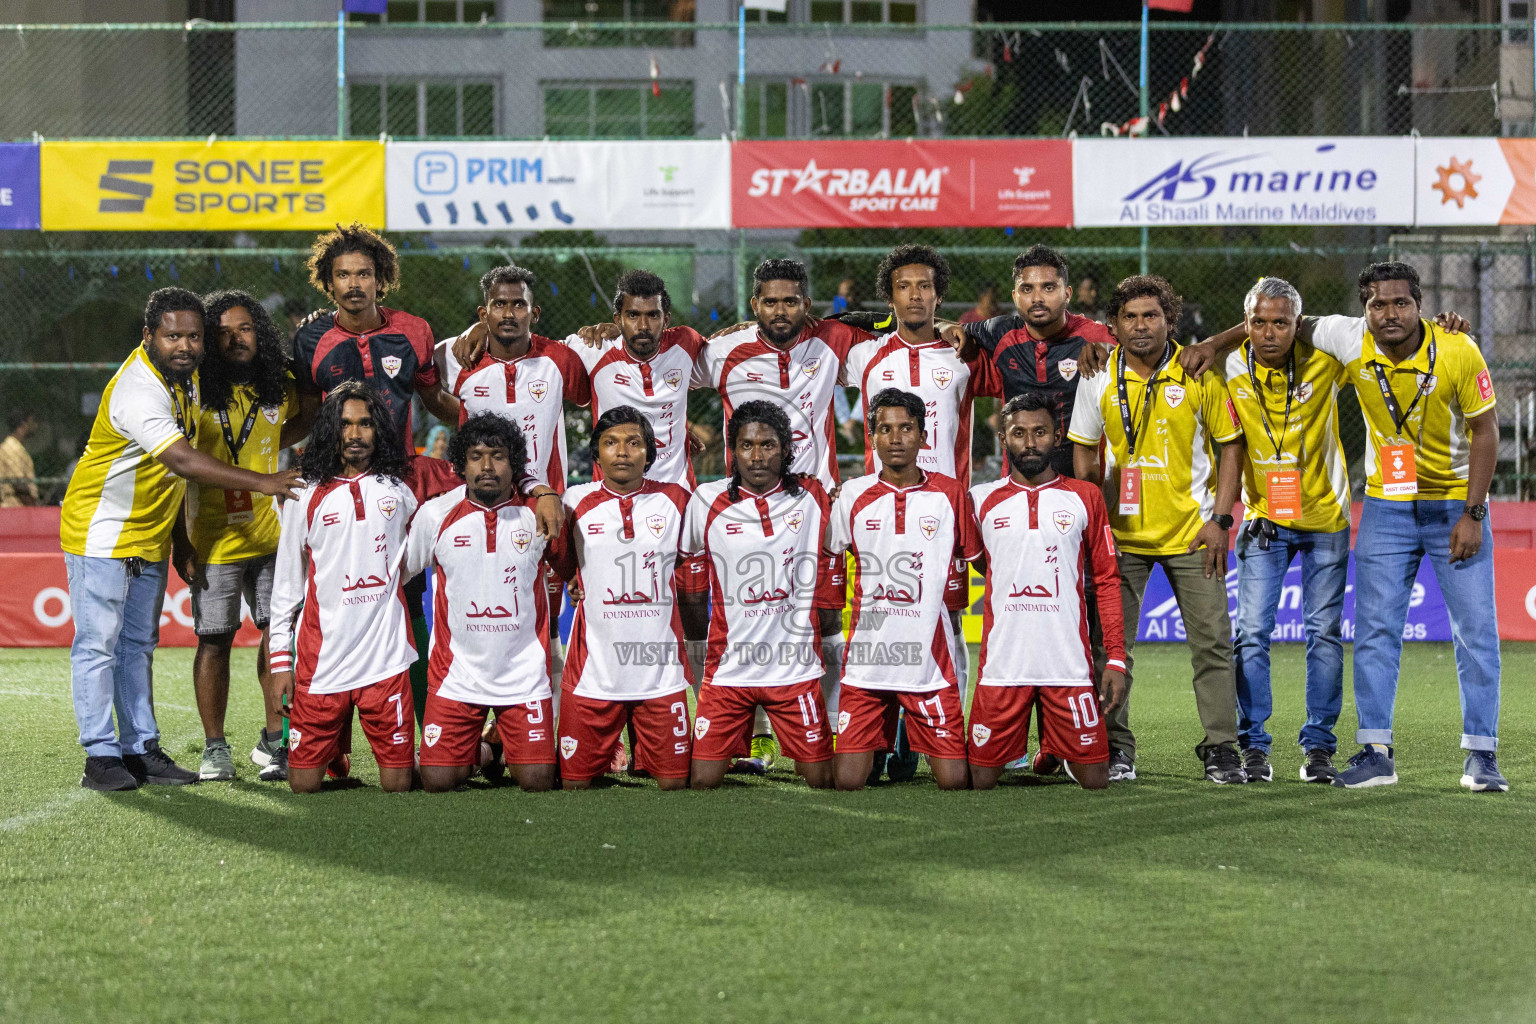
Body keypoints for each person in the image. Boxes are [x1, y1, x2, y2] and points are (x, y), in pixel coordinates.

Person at [1178, 270, 1496, 789]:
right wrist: (1217, 340)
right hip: (1306, 517)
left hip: (1370, 515)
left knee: (1451, 633)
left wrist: (1475, 511)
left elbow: (1486, 427)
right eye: (1377, 304)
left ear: (1418, 306)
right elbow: (1230, 436)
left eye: (1400, 304)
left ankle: (1464, 755)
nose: (1270, 332)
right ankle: (1309, 748)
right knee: (1280, 635)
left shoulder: (1358, 352)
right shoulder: (1247, 363)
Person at [60, 288, 301, 792]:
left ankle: (141, 748)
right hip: (101, 533)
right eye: (173, 336)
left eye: (193, 336)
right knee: (98, 645)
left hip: (150, 533)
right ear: (149, 336)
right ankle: (100, 757)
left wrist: (178, 540)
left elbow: (166, 478)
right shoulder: (139, 390)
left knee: (138, 645)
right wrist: (263, 482)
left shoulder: (187, 381)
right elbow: (181, 461)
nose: (185, 346)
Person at [1067, 274, 1248, 785]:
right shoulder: (1096, 374)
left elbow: (1231, 447)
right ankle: (1115, 745)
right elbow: (1084, 446)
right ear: (1114, 326)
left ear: (1170, 320)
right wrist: (1094, 513)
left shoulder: (1199, 372)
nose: (1141, 326)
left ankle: (1221, 748)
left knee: (1213, 643)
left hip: (1193, 535)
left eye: (1151, 316)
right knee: (1108, 647)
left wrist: (1221, 518)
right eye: (1130, 317)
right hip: (1121, 540)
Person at [693, 259, 869, 773]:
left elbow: (889, 328)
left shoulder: (832, 341)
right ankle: (756, 736)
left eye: (791, 301)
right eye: (769, 302)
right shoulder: (723, 351)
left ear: (806, 305)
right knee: (742, 616)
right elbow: (667, 367)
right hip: (743, 511)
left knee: (825, 614)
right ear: (754, 306)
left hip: (815, 508)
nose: (780, 311)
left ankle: (831, 721)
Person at [843, 244, 989, 777]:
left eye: (924, 286)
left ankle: (950, 733)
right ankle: (882, 739)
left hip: (945, 513)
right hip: (881, 513)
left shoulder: (965, 355)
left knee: (947, 623)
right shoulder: (864, 356)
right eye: (903, 287)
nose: (915, 295)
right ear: (891, 296)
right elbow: (810, 332)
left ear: (938, 293)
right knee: (880, 616)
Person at [1219, 279, 1352, 784]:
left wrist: (1446, 329)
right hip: (1262, 522)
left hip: (1326, 520)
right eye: (1258, 322)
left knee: (1324, 634)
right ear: (1245, 323)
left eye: (1281, 322)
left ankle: (1319, 747)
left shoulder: (1326, 360)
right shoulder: (1228, 366)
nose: (1269, 332)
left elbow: (1383, 339)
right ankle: (1253, 745)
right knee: (1251, 634)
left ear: (1298, 325)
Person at [968, 394, 1127, 791]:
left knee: (1096, 782)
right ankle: (1050, 746)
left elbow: (1107, 581)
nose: (1030, 442)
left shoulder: (1084, 497)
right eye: (1019, 433)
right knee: (978, 779)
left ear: (1057, 438)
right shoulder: (980, 500)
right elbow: (984, 566)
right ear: (1003, 438)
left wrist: (1116, 661)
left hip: (1067, 666)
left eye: (1040, 432)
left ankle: (1056, 748)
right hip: (1004, 666)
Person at [176, 290, 303, 782]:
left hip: (271, 537)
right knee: (215, 642)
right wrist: (178, 542)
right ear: (210, 340)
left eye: (245, 328)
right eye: (224, 331)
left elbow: (312, 408)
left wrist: (312, 326)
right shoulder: (190, 391)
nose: (236, 338)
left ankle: (275, 741)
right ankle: (214, 748)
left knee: (278, 636)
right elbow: (173, 468)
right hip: (210, 540)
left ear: (261, 334)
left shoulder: (278, 386)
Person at [267, 382, 420, 794]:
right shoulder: (304, 495)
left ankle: (355, 745)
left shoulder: (399, 491)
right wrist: (281, 664)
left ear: (379, 430)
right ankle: (333, 745)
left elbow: (409, 563)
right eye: (345, 424)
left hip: (384, 661)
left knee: (399, 786)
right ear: (330, 430)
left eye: (365, 424)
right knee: (302, 787)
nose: (355, 434)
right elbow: (286, 588)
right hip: (322, 662)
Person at [405, 413, 569, 793]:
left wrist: (544, 492)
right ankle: (487, 752)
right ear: (462, 464)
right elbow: (401, 574)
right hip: (456, 677)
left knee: (538, 781)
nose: (487, 466)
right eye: (476, 456)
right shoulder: (435, 515)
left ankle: (505, 747)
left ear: (514, 464)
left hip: (523, 677)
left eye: (498, 456)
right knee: (438, 781)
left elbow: (572, 568)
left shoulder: (536, 515)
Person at [825, 389, 980, 791]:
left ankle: (908, 738)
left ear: (923, 437)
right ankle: (885, 740)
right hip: (868, 659)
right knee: (847, 782)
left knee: (954, 782)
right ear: (872, 437)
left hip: (929, 660)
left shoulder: (951, 494)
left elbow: (979, 560)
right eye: (885, 429)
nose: (895, 438)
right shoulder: (852, 497)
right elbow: (828, 561)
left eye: (906, 428)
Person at [683, 401, 839, 790]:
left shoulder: (814, 496)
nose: (756, 455)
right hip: (729, 672)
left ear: (786, 449)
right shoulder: (705, 501)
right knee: (702, 780)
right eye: (746, 445)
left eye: (768, 445)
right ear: (732, 450)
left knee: (822, 778)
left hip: (795, 671)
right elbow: (688, 575)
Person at [558, 407, 705, 790]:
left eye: (633, 443)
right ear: (597, 454)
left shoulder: (678, 499)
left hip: (659, 674)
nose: (622, 451)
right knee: (573, 785)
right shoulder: (574, 501)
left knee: (676, 784)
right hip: (593, 673)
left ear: (649, 454)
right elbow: (564, 563)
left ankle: (637, 750)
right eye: (610, 443)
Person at [944, 245, 1114, 478]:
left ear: (1067, 293)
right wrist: (943, 326)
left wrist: (1182, 352)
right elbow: (940, 330)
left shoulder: (1096, 336)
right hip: (1016, 487)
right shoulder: (1000, 333)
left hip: (1081, 489)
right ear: (1015, 297)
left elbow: (1146, 351)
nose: (1037, 298)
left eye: (1048, 287)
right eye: (1027, 289)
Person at [0, 409, 39, 506]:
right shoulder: (12, 447)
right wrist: (35, 510)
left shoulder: (18, 448)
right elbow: (18, 484)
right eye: (32, 421)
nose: (36, 426)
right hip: (14, 509)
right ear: (23, 424)